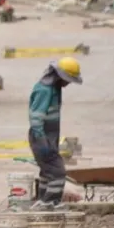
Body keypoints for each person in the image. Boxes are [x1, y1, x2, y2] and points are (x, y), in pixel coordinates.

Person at [28, 57, 82, 211]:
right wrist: (42, 141)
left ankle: (42, 201)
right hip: (41, 138)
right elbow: (36, 119)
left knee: (47, 172)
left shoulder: (53, 88)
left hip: (48, 138)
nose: (69, 83)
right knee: (58, 172)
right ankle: (50, 203)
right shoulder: (44, 90)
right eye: (68, 79)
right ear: (60, 76)